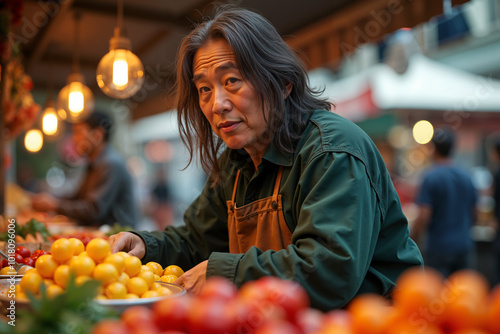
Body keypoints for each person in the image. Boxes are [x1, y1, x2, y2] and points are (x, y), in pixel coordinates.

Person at [109, 7, 422, 311]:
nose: (217, 104)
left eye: (232, 81)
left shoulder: (332, 151)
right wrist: (146, 245)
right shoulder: (237, 162)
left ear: (283, 84)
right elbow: (197, 241)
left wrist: (225, 272)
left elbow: (327, 270)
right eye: (204, 89)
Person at [31, 111, 139, 228]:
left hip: (117, 240)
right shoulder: (94, 163)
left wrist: (54, 205)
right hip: (99, 238)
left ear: (97, 135)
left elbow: (93, 210)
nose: (73, 139)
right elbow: (78, 198)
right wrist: (51, 201)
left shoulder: (111, 164)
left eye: (77, 133)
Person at [411, 127, 477, 277]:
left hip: (438, 248)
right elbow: (475, 212)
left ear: (433, 149)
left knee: (437, 295)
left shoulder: (430, 177)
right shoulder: (466, 176)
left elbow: (424, 216)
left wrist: (412, 240)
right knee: (462, 294)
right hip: (463, 245)